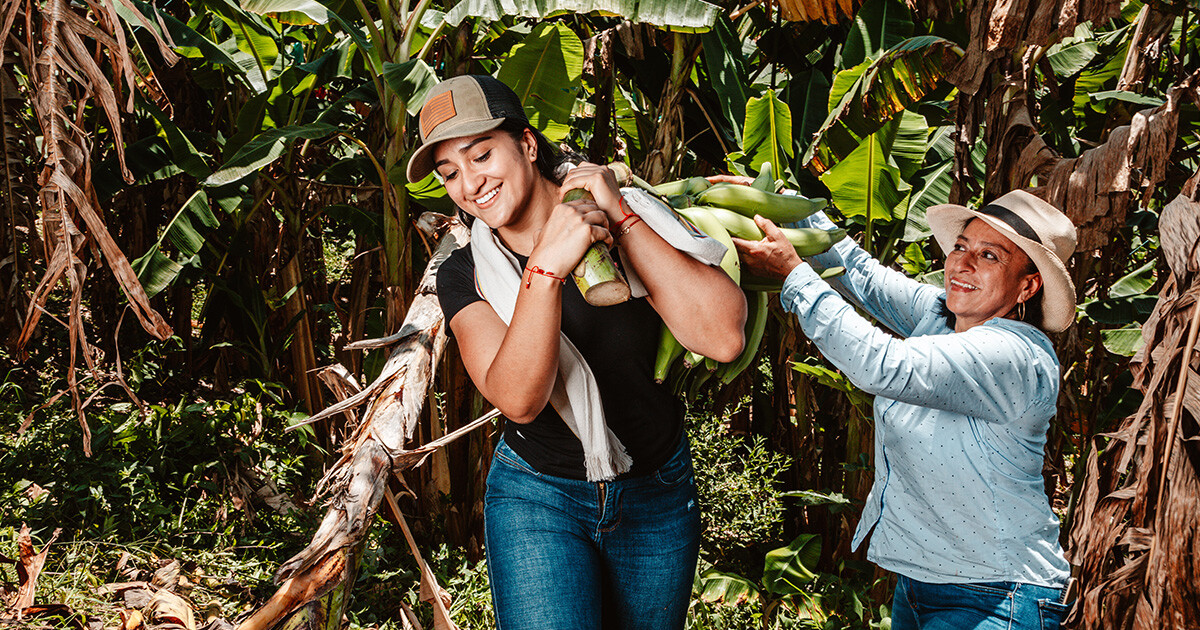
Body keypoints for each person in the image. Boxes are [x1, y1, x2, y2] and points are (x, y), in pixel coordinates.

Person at [408, 75, 746, 630]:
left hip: (656, 492)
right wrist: (543, 269)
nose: (470, 184)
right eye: (450, 174)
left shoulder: (624, 212)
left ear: (527, 145)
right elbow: (518, 399)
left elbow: (722, 338)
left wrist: (621, 216)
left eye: (481, 155)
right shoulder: (464, 272)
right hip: (537, 496)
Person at [732, 189, 1076, 630]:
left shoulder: (1014, 356)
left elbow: (882, 364)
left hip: (997, 594)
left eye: (990, 256)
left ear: (1028, 285)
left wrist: (793, 275)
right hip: (920, 584)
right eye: (961, 247)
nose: (963, 265)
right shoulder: (941, 318)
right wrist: (776, 201)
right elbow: (861, 275)